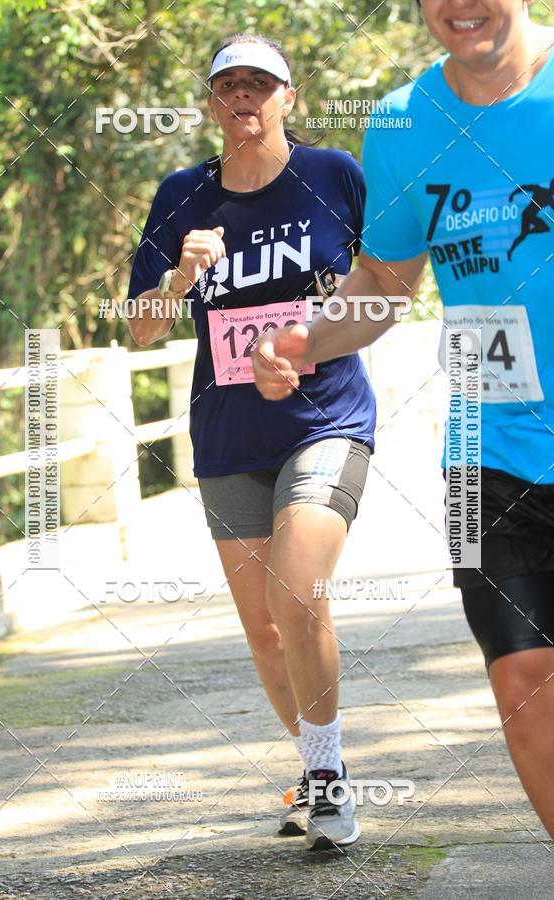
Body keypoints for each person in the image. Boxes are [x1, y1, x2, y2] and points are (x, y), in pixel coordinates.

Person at [254, 1, 554, 838]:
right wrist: (307, 338)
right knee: (522, 686)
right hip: (488, 451)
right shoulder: (402, 121)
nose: (462, 7)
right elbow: (387, 282)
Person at [127, 34, 377, 850]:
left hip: (326, 417)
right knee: (267, 629)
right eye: (229, 84)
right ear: (212, 102)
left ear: (287, 98)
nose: (244, 96)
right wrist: (177, 280)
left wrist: (317, 335)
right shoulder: (182, 195)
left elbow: (386, 282)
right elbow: (139, 329)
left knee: (297, 592)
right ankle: (316, 767)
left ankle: (330, 785)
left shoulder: (333, 175)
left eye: (260, 84)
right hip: (229, 435)